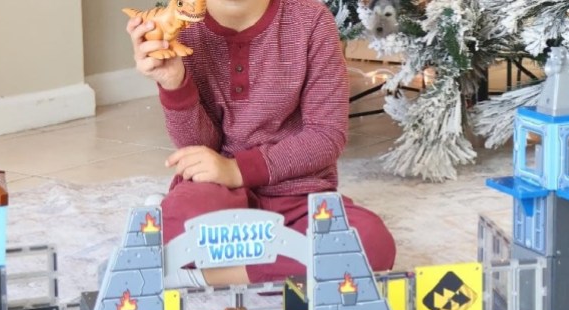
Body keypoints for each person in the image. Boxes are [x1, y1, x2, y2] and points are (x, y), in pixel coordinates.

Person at [126, 0, 396, 287]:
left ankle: (206, 276)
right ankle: (288, 266)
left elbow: (326, 136)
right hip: (218, 194)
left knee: (371, 243)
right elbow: (199, 146)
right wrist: (174, 83)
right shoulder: (185, 29)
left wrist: (237, 169)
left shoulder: (312, 21)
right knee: (177, 224)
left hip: (299, 198)